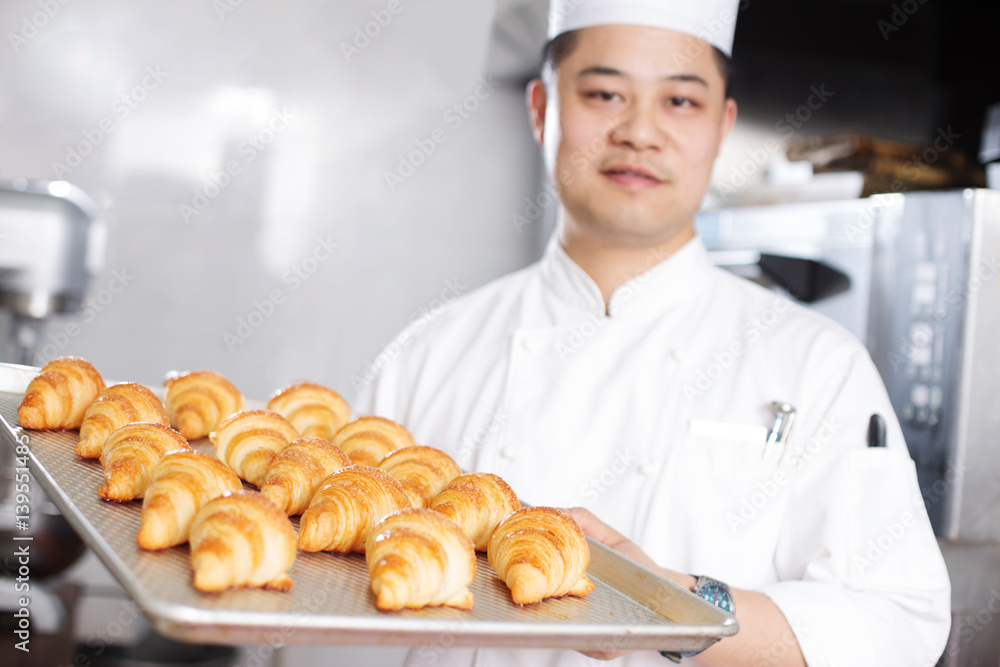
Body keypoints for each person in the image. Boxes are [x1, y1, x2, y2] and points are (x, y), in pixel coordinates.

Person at [354, 1, 952, 665]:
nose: (640, 132)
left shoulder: (819, 365)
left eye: (680, 102)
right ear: (541, 109)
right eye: (605, 93)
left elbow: (899, 623)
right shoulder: (427, 355)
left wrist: (667, 602)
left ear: (723, 125)